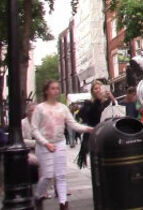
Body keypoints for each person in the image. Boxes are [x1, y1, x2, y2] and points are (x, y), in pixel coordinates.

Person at [31, 80, 93, 210]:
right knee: (47, 175)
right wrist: (45, 143)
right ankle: (38, 196)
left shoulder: (63, 108)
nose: (56, 91)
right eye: (52, 88)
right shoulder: (40, 108)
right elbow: (35, 129)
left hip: (59, 143)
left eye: (57, 88)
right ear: (46, 91)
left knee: (61, 175)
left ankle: (63, 203)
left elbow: (72, 124)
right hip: (44, 145)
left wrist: (88, 129)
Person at [76, 80, 114, 168]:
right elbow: (91, 117)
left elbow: (116, 107)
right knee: (98, 160)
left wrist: (111, 97)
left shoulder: (108, 101)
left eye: (99, 88)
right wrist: (99, 101)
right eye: (95, 89)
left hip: (108, 133)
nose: (98, 90)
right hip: (96, 134)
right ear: (92, 91)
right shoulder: (91, 103)